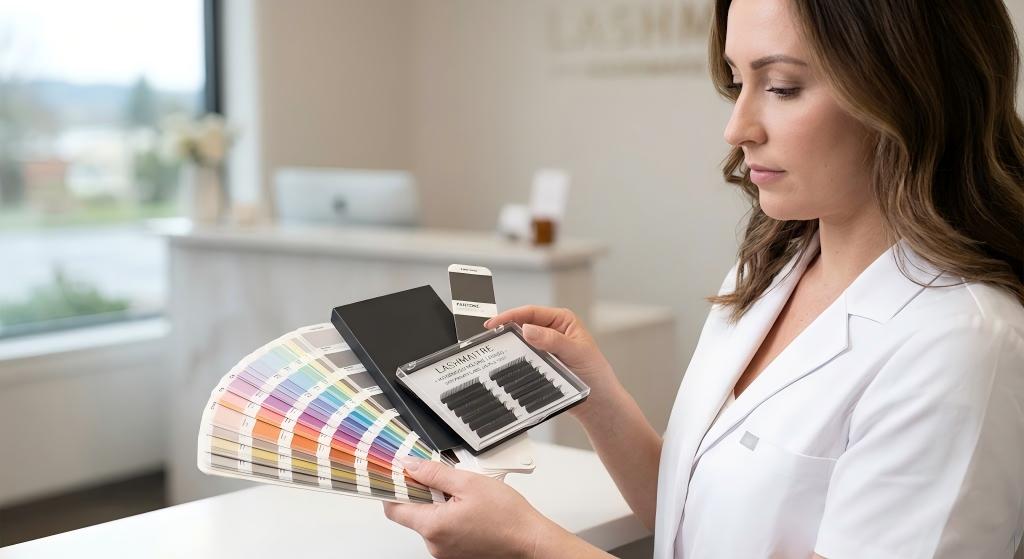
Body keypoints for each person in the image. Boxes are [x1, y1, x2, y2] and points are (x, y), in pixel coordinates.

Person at [382, 0, 1024, 556]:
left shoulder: (961, 343)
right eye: (736, 82)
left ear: (907, 92)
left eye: (782, 87)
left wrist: (530, 543)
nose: (737, 127)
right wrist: (598, 397)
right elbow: (694, 525)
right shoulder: (770, 267)